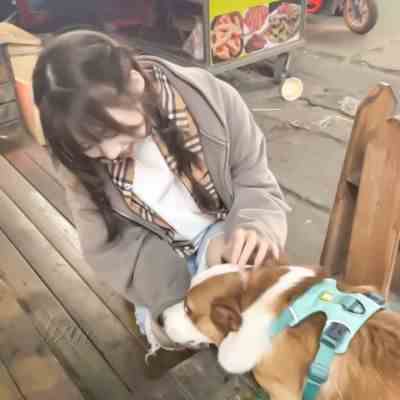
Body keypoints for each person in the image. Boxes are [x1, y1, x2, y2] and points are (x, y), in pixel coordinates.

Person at [33, 30, 289, 355]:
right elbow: (111, 247)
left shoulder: (209, 98)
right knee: (177, 331)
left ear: (135, 84)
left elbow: (251, 174)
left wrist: (255, 225)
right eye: (90, 145)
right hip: (156, 265)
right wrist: (173, 298)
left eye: (110, 132)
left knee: (260, 299)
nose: (110, 153)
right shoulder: (76, 162)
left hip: (220, 229)